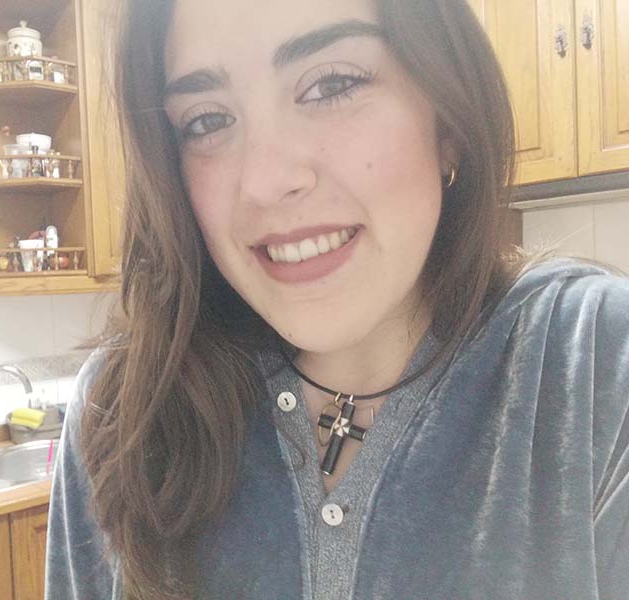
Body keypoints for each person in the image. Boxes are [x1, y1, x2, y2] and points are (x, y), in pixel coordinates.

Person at [45, 0, 629, 598]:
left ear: (448, 120)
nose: (265, 182)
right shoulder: (124, 409)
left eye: (330, 85)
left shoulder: (592, 369)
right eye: (206, 120)